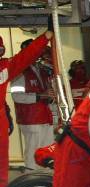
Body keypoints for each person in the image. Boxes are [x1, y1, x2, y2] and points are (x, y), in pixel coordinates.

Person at [0, 31, 54, 187]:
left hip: (4, 119)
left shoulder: (5, 67)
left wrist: (45, 38)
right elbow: (25, 57)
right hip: (28, 119)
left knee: (2, 165)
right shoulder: (5, 68)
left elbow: (26, 56)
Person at [10, 38, 56, 169]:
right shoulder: (19, 71)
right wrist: (42, 95)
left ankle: (45, 184)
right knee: (33, 153)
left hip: (45, 117)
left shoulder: (42, 70)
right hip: (31, 120)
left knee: (47, 153)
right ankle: (30, 182)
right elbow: (17, 97)